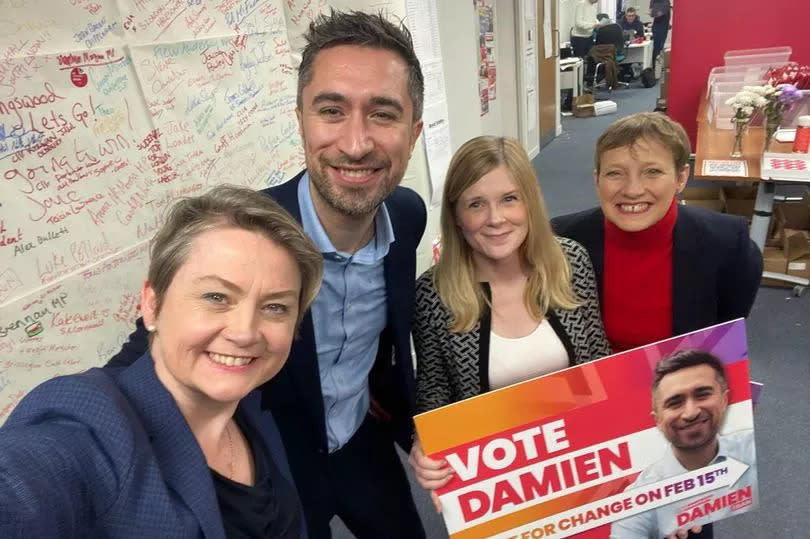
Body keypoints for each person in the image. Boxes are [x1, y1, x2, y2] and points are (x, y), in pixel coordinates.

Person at [106, 10, 427, 539]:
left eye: (383, 114)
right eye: (331, 110)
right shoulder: (245, 234)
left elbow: (390, 335)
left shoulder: (408, 216)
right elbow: (148, 350)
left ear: (413, 133)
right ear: (301, 118)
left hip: (362, 439)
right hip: (280, 456)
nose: (355, 143)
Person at [0, 186, 322, 538]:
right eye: (216, 297)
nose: (245, 332)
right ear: (152, 304)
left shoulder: (252, 409)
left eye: (276, 306)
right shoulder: (94, 428)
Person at [407, 136, 611, 509]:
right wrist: (426, 442)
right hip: (499, 485)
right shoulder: (434, 294)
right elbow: (434, 391)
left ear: (530, 203)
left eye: (509, 199)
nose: (495, 218)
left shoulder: (570, 264)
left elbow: (601, 367)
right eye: (476, 204)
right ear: (456, 215)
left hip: (580, 464)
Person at [552, 112, 763, 354]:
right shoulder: (564, 241)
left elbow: (723, 334)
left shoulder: (726, 244)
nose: (632, 190)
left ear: (681, 178)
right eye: (614, 173)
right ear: (597, 179)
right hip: (593, 383)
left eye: (652, 172)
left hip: (681, 382)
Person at [610, 350, 757, 539]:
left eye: (702, 394)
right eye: (675, 403)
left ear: (724, 400)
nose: (690, 413)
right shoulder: (635, 502)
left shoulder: (748, 449)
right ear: (658, 421)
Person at [649, 0, 671, 70]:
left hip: (664, 27)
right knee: (657, 49)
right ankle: (654, 68)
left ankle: (656, 68)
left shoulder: (666, 2)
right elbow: (653, 13)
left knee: (659, 48)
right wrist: (655, 13)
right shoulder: (654, 1)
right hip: (658, 28)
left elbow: (658, 13)